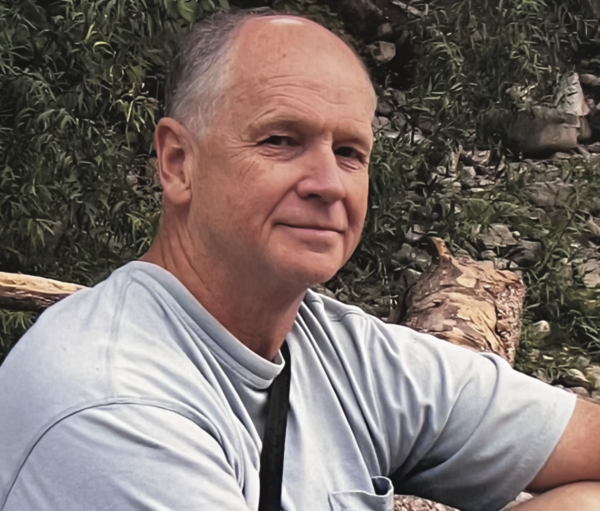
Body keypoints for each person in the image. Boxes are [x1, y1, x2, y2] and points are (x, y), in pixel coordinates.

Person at [1, 9, 600, 511]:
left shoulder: (338, 351)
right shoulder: (111, 408)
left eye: (349, 152)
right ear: (178, 162)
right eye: (280, 141)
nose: (328, 184)